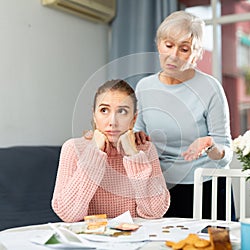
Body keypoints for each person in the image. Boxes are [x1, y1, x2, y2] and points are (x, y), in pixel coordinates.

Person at [134, 11, 235, 219]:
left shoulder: (210, 88)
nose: (173, 55)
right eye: (168, 45)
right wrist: (133, 139)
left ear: (196, 54)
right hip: (161, 188)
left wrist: (211, 147)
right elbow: (138, 134)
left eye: (184, 49)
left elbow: (226, 154)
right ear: (158, 44)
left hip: (208, 186)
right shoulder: (144, 87)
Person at [52, 79, 170, 222]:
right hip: (91, 239)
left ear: (134, 119)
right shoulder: (73, 149)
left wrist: (134, 156)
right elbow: (68, 215)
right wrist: (94, 153)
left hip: (133, 238)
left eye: (122, 111)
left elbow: (154, 211)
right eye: (104, 110)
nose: (113, 122)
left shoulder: (145, 149)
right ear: (94, 116)